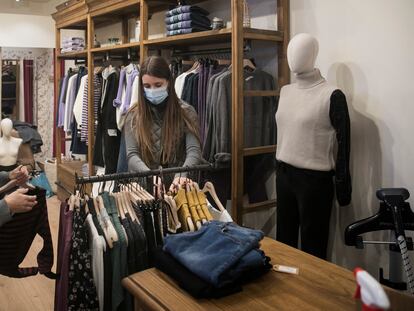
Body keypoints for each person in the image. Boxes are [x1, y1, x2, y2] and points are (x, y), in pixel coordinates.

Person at [124, 56, 202, 191]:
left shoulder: (186, 112)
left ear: (169, 82)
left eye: (158, 85)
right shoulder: (133, 115)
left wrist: (182, 175)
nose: (152, 90)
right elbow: (132, 154)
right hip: (146, 189)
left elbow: (194, 151)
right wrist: (149, 175)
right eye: (147, 86)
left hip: (180, 188)